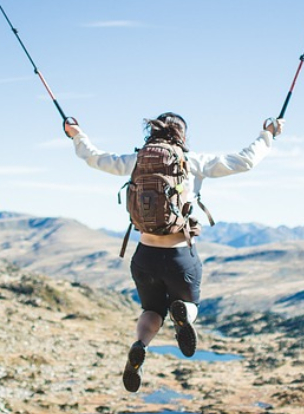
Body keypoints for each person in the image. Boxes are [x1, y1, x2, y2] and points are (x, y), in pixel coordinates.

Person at [64, 113, 283, 392]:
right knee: (190, 304)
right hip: (179, 256)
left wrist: (76, 134)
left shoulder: (136, 161)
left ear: (152, 133)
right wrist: (268, 134)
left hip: (144, 256)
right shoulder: (193, 161)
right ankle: (183, 315)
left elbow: (94, 157)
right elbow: (245, 161)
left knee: (152, 310)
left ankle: (140, 344)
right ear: (182, 135)